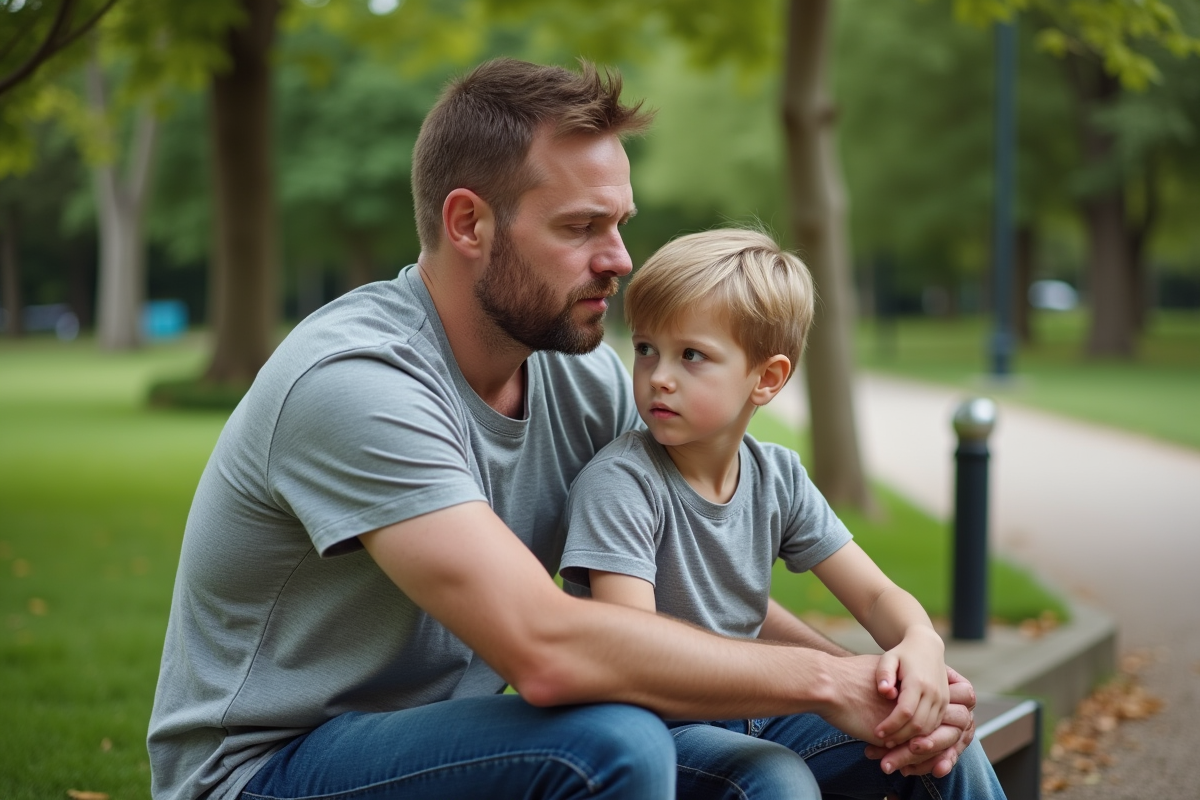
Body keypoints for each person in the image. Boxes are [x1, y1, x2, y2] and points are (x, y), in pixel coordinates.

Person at [148, 58, 981, 800]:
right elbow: (545, 652)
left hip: (468, 741)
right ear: (468, 224)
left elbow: (696, 593)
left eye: (620, 224)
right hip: (267, 768)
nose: (619, 258)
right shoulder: (358, 382)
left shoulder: (580, 379)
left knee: (917, 748)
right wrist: (821, 683)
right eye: (581, 227)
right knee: (613, 743)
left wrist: (883, 686)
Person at [559, 227, 1006, 798]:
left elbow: (874, 596)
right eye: (646, 348)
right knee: (775, 776)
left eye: (691, 355)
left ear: (766, 379)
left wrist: (921, 641)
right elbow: (635, 656)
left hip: (756, 713)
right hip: (653, 731)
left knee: (938, 744)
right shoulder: (622, 483)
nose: (659, 376)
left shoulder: (777, 477)